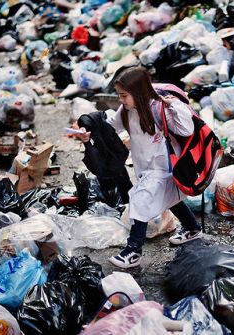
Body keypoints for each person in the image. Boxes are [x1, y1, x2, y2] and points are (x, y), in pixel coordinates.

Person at [80, 66, 202, 268]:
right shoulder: (127, 110)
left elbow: (186, 129)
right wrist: (89, 133)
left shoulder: (159, 108)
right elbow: (112, 126)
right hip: (146, 169)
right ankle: (192, 228)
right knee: (169, 198)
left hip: (165, 167)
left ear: (138, 92)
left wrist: (174, 105)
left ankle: (133, 251)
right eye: (119, 95)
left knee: (139, 201)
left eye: (124, 95)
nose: (121, 100)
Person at [78, 111, 132, 204]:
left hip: (118, 169)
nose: (120, 99)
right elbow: (86, 118)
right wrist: (84, 128)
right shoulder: (106, 122)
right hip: (108, 171)